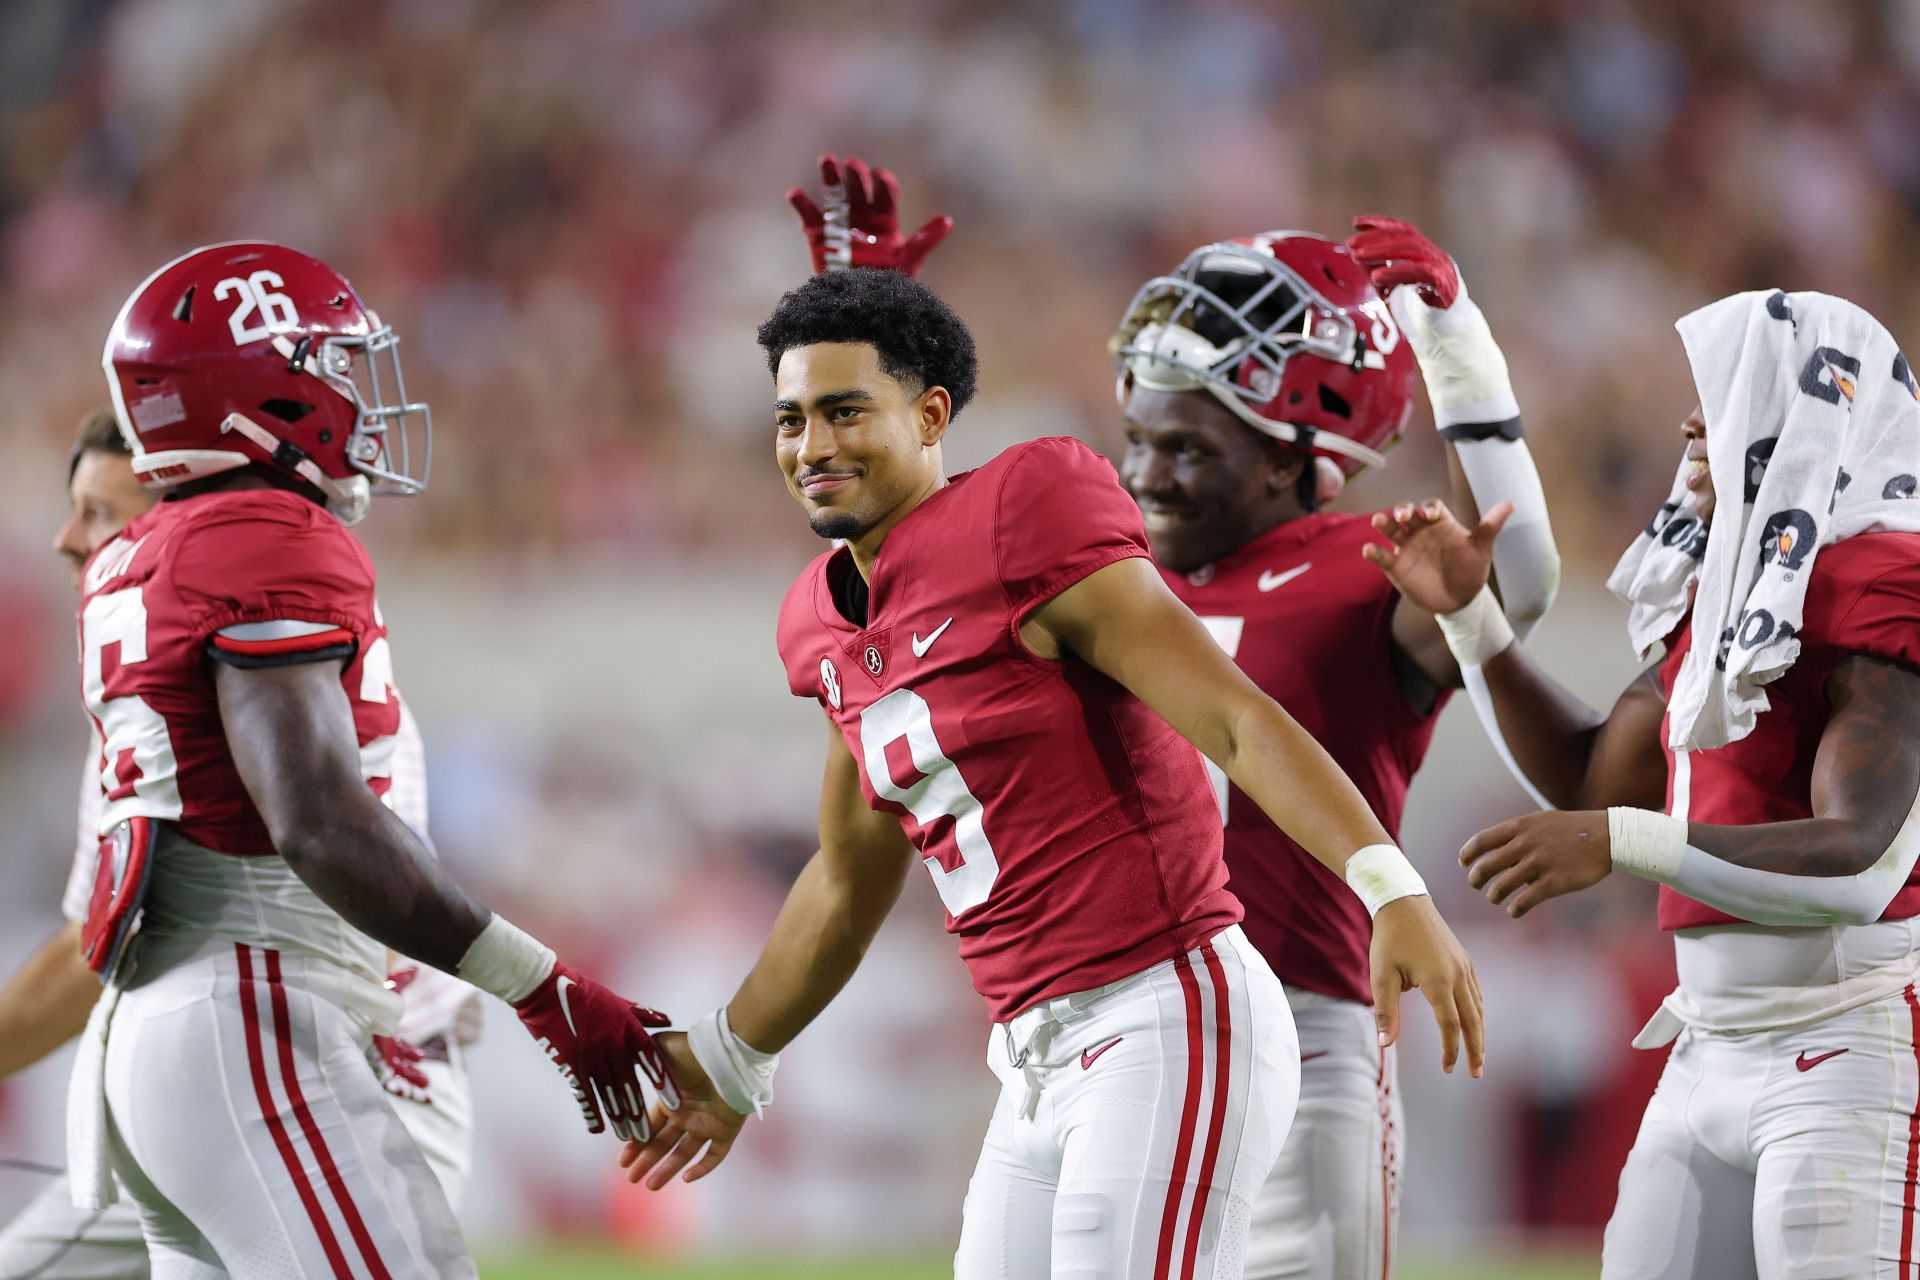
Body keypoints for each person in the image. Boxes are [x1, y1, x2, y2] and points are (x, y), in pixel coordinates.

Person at [622, 265, 1485, 1278]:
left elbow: (1238, 718)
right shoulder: (817, 615)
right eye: (793, 419)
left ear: (931, 412)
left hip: (1164, 1010)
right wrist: (734, 1052)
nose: (813, 446)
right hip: (1030, 1055)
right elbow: (850, 876)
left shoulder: (1023, 511)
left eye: (846, 411)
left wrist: (1391, 886)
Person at [785, 157, 1560, 1279]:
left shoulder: (1364, 566)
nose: (1147, 471)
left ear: (1306, 459)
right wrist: (870, 339)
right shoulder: (1100, 569)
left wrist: (1460, 354)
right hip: (1124, 1030)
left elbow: (1517, 581)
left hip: (1302, 1024)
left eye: (1191, 446)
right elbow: (915, 549)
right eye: (1139, 437)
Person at [74, 242, 676, 1279]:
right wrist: (541, 986)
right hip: (250, 1000)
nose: (353, 393)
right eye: (327, 364)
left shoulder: (147, 544)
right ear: (253, 389)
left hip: (175, 1022)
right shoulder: (262, 528)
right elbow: (317, 819)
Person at [1367, 289, 1920, 1278]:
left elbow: (1863, 862)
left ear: (1816, 413)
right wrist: (1472, 626)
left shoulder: (1881, 576)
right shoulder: (1736, 581)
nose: (1693, 421)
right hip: (1708, 1040)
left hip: (1852, 1046)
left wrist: (1627, 841)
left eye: (1727, 388)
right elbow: (1592, 778)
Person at [0, 409, 485, 1274]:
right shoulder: (162, 692)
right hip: (252, 1070)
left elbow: (95, 956)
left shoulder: (279, 704)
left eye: (104, 513)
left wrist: (534, 981)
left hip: (346, 1080)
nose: (70, 540)